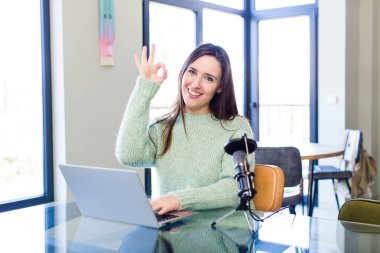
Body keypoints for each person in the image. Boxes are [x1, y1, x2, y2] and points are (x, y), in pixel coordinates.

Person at [115, 43, 254, 215]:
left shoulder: (237, 127)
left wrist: (178, 200)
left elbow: (234, 188)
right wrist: (144, 89)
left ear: (220, 87)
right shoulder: (162, 127)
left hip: (222, 231)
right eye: (192, 72)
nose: (196, 84)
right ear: (182, 73)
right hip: (173, 231)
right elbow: (129, 155)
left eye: (209, 78)